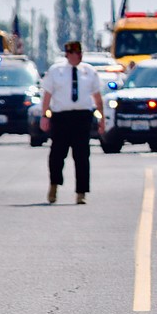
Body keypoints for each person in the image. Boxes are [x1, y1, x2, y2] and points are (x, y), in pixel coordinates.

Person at [40, 40, 105, 204]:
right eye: (75, 53)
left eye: (80, 53)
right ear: (68, 54)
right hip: (61, 117)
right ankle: (54, 184)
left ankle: (81, 192)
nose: (78, 56)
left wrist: (102, 118)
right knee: (57, 154)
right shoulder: (56, 71)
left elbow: (97, 96)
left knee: (82, 155)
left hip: (82, 117)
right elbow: (47, 95)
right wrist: (45, 115)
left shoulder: (89, 72)